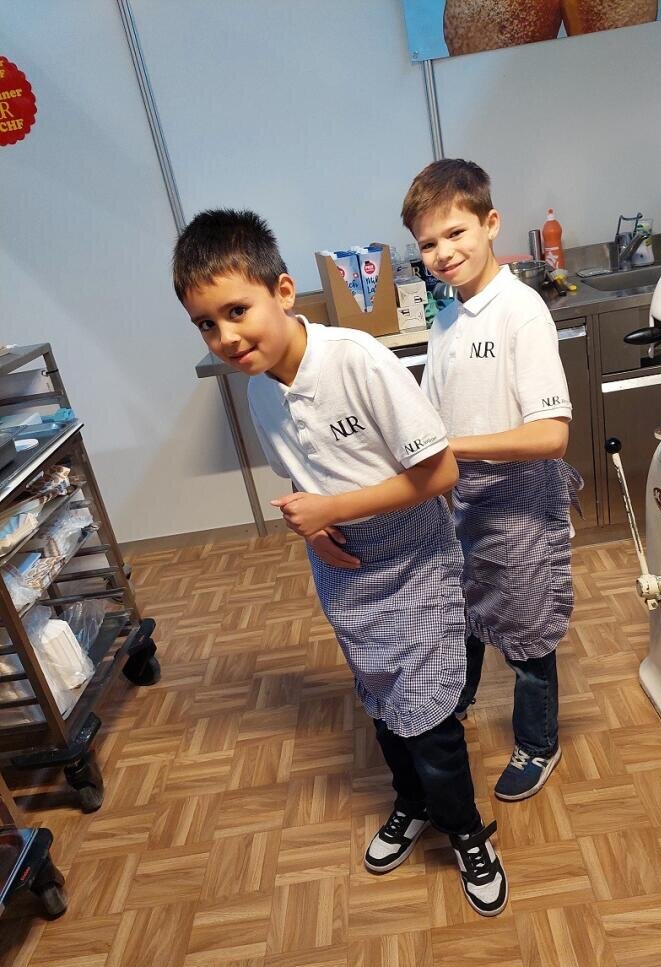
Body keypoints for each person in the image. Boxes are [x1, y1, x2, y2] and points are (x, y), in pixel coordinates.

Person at [172, 209, 507, 916]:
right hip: (345, 568)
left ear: (283, 291)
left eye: (237, 311)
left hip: (414, 556)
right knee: (384, 703)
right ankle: (410, 803)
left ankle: (467, 830)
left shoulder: (355, 359)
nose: (226, 337)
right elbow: (302, 478)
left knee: (432, 719)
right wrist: (312, 528)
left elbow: (440, 472)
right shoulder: (261, 387)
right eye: (206, 323)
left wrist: (334, 511)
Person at [402, 160, 582, 802]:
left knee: (529, 628)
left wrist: (454, 447)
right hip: (465, 502)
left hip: (522, 502)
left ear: (490, 223)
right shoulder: (448, 318)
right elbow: (430, 411)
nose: (443, 253)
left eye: (455, 233)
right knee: (470, 610)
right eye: (428, 244)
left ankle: (539, 744)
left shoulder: (520, 310)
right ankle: (460, 699)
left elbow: (551, 434)